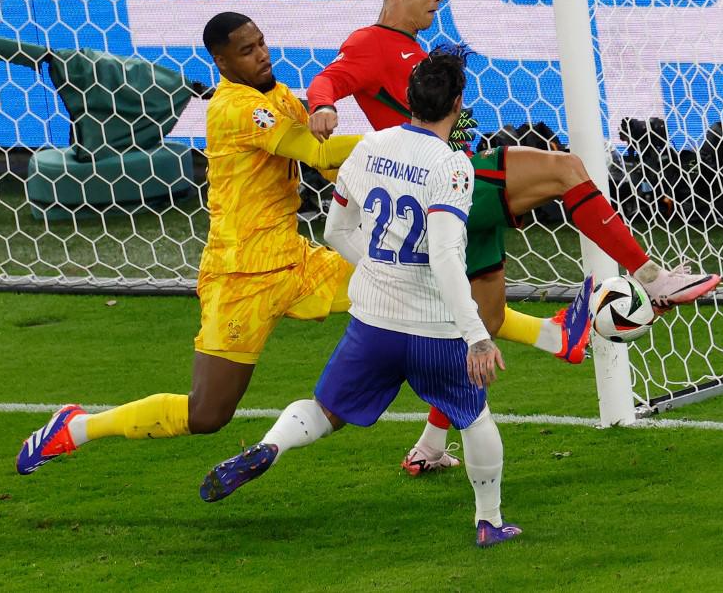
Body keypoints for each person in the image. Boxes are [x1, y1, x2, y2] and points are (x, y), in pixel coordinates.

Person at [305, 0, 722, 475]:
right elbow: (329, 79)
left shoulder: (411, 47)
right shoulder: (371, 43)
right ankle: (651, 275)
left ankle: (430, 446)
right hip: (448, 182)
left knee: (488, 319)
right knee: (567, 170)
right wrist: (321, 105)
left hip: (453, 193)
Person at [199, 49, 522, 548]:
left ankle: (269, 446)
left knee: (325, 410)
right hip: (433, 328)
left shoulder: (370, 147)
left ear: (409, 100)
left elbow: (335, 231)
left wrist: (373, 266)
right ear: (457, 104)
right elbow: (442, 254)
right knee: (474, 416)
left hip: (373, 321)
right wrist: (477, 336)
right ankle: (490, 521)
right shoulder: (453, 166)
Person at [15, 12, 363, 474]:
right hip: (240, 277)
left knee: (404, 292)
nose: (262, 55)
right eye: (247, 50)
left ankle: (435, 434)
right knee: (207, 414)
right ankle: (76, 427)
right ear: (221, 61)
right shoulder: (234, 108)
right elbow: (316, 151)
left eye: (261, 43)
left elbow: (324, 167)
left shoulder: (277, 96)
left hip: (295, 259)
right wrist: (407, 146)